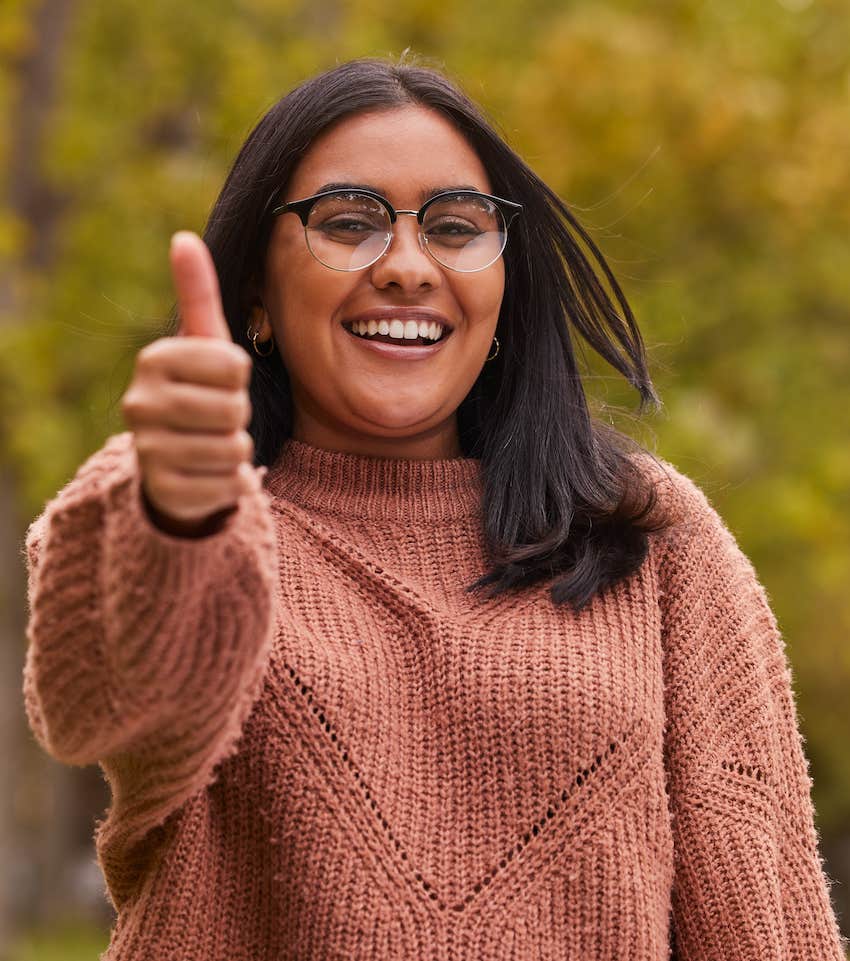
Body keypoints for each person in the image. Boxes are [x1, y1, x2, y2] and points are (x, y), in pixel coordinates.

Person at [21, 57, 846, 961]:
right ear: (256, 291)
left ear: (502, 286)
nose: (409, 267)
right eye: (347, 222)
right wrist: (172, 508)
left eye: (456, 227)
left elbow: (766, 917)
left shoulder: (646, 538)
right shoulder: (201, 533)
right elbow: (95, 701)